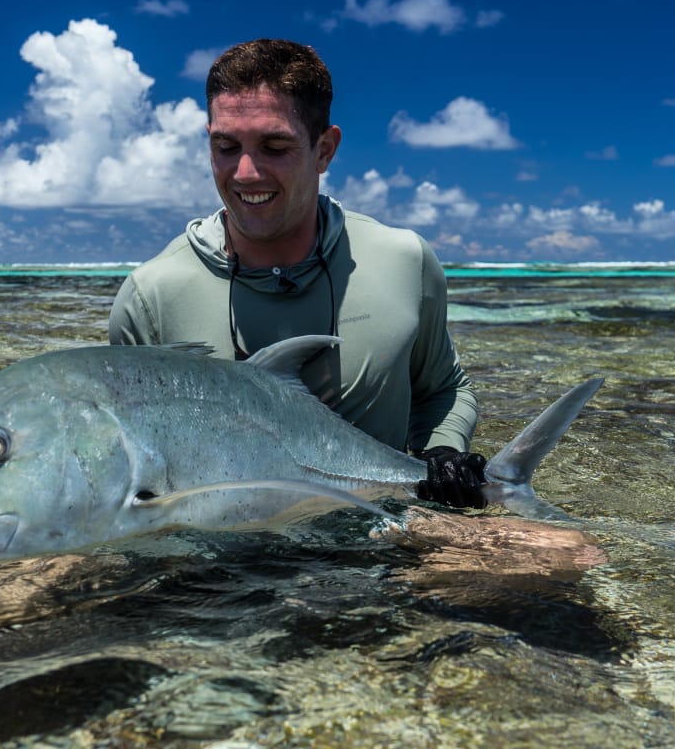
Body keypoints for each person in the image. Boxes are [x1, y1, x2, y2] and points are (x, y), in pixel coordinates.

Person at [108, 38, 487, 509]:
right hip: (216, 569)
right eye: (226, 146)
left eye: (274, 146)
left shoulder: (403, 260)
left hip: (380, 548)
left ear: (324, 150)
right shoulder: (151, 296)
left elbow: (444, 389)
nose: (245, 173)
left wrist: (443, 453)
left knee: (567, 558)